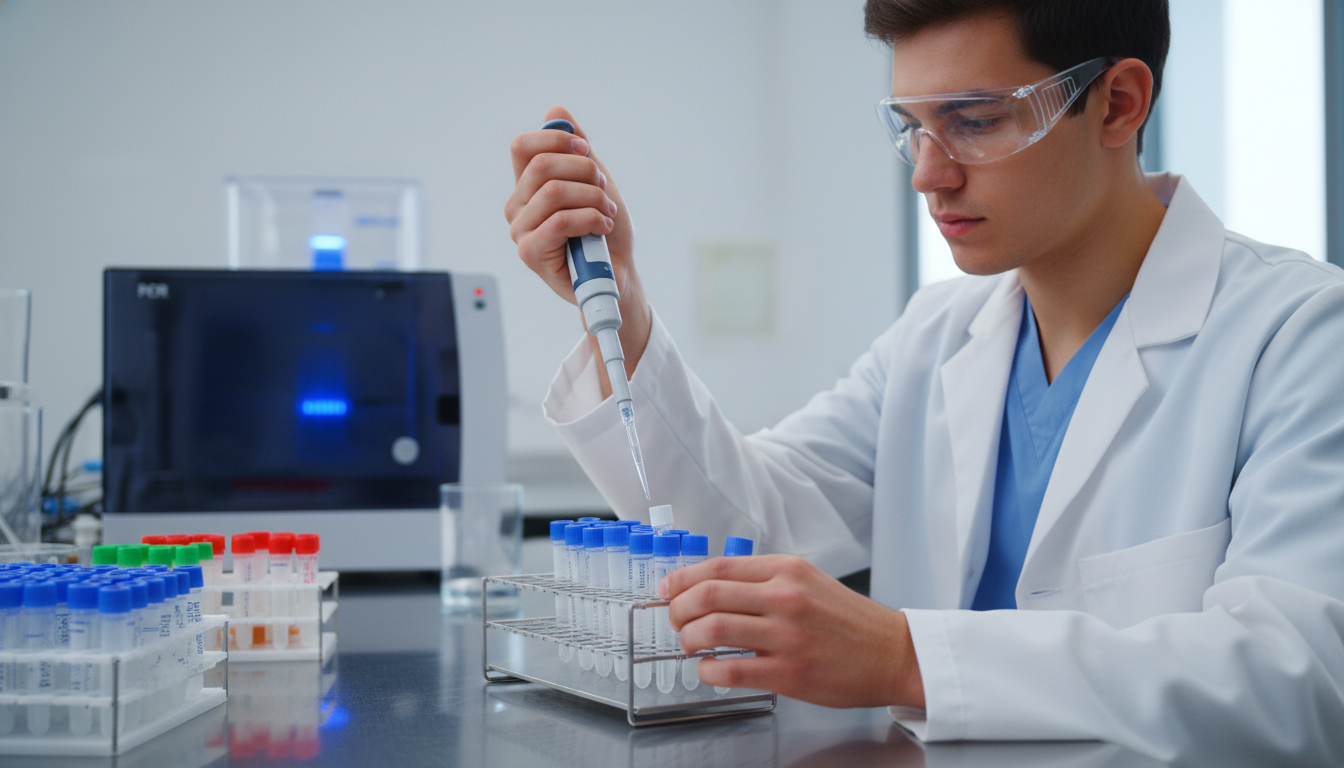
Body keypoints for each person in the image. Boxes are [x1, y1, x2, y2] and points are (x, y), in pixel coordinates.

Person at [504, 0, 1344, 762]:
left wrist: (905, 658)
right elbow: (744, 528)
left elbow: (1294, 679)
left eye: (975, 122)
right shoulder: (935, 337)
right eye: (910, 126)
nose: (927, 174)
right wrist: (625, 301)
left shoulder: (1300, 334)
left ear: (1118, 103)